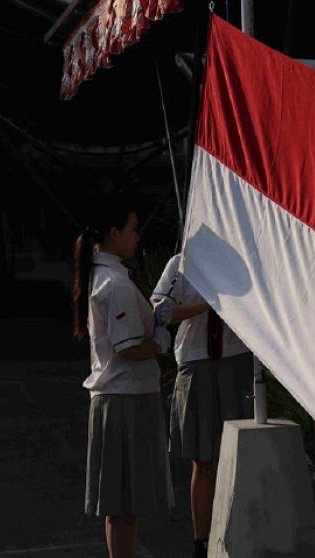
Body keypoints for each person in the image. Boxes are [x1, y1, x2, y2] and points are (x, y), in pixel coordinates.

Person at [71, 195, 174, 558]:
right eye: (132, 229)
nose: (137, 237)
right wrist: (161, 338)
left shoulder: (106, 275)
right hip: (125, 398)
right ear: (113, 233)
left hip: (120, 397)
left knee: (123, 504)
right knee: (124, 505)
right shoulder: (113, 282)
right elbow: (130, 347)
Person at [151, 253, 253, 558]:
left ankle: (236, 534)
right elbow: (160, 311)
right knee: (203, 456)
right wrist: (207, 305)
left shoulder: (241, 257)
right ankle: (202, 541)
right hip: (198, 361)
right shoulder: (182, 262)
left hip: (236, 358)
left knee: (236, 457)